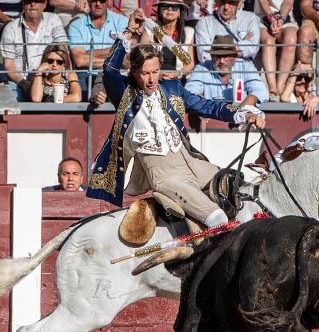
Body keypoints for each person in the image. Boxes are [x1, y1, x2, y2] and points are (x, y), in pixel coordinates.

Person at [86, 9, 267, 228]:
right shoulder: (124, 94)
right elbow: (109, 69)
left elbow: (207, 106)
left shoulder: (172, 88)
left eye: (155, 71)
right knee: (216, 218)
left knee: (233, 185)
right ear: (134, 72)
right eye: (145, 73)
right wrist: (130, 31)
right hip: (162, 173)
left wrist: (244, 113)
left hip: (190, 161)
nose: (152, 79)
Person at [1, 0, 68, 101]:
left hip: (51, 81)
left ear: (45, 4)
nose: (33, 4)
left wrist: (60, 79)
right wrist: (25, 84)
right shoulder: (10, 28)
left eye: (37, 1)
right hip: (21, 83)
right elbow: (9, 66)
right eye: (29, 1)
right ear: (23, 4)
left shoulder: (53, 19)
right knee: (8, 91)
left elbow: (64, 49)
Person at [67, 0, 128, 100]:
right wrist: (115, 56)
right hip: (87, 74)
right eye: (94, 0)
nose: (98, 4)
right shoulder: (76, 25)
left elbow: (126, 52)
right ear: (88, 1)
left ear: (108, 1)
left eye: (102, 0)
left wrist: (89, 53)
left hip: (115, 74)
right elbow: (80, 60)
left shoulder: (122, 21)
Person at [185, 35, 268, 106]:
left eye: (226, 56)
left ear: (235, 56)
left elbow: (261, 91)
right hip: (213, 117)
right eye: (217, 56)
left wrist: (241, 109)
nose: (221, 61)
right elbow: (190, 91)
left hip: (241, 118)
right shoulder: (202, 68)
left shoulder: (245, 66)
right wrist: (200, 104)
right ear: (211, 56)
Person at [139, 0, 195, 81]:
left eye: (175, 7)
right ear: (160, 11)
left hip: (178, 79)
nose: (169, 9)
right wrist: (158, 74)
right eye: (165, 6)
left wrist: (177, 74)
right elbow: (143, 57)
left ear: (179, 12)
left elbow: (190, 64)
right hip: (153, 78)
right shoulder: (149, 30)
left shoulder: (189, 32)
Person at [194, 0, 261, 63]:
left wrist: (218, 51)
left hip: (243, 69)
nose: (226, 7)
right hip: (215, 70)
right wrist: (240, 46)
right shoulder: (204, 23)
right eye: (222, 2)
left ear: (238, 3)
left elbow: (253, 48)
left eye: (231, 2)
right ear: (216, 2)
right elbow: (204, 56)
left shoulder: (250, 18)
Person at [257, 0, 298, 100]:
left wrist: (281, 18)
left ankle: (279, 88)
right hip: (261, 17)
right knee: (268, 42)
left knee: (290, 40)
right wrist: (271, 18)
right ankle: (272, 87)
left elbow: (288, 2)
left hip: (284, 17)